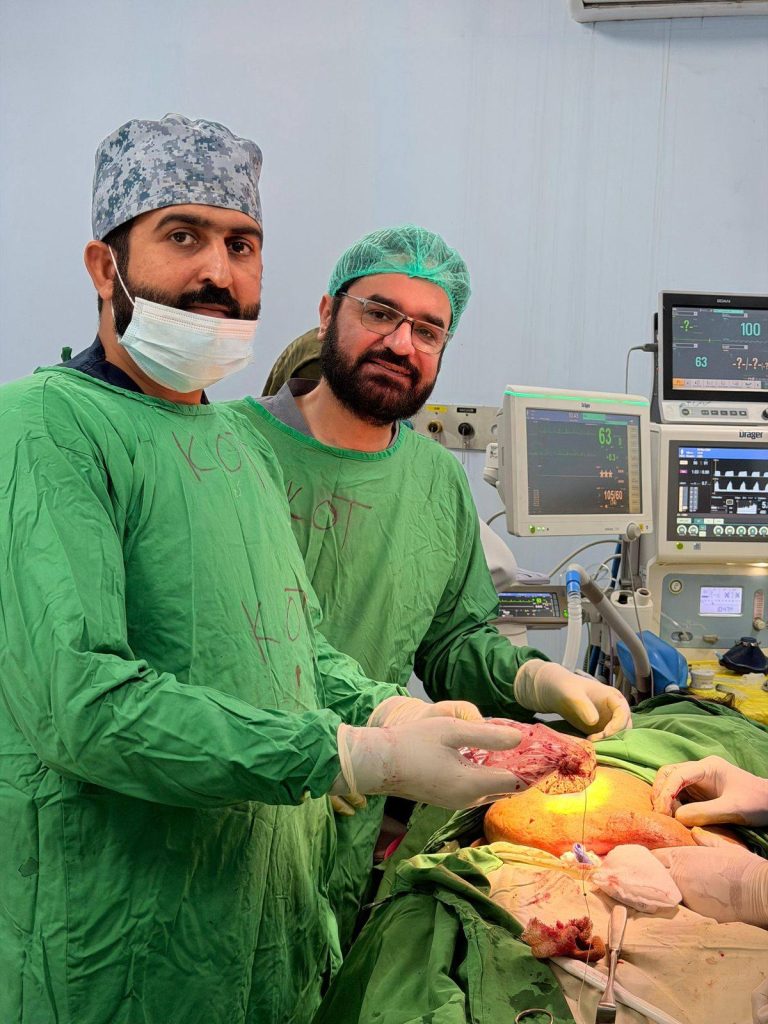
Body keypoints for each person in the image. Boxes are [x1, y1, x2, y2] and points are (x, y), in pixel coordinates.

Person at [0, 116, 540, 1024]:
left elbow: (290, 647)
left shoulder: (229, 444)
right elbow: (82, 706)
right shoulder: (45, 427)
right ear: (104, 266)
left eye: (241, 245)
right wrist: (349, 754)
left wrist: (389, 711)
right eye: (183, 236)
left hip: (261, 926)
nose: (219, 271)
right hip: (118, 945)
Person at [234, 223, 633, 946]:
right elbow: (217, 643)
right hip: (233, 800)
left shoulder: (435, 480)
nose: (401, 343)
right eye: (380, 313)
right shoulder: (227, 448)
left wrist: (535, 679)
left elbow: (453, 641)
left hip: (352, 826)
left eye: (427, 330)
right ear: (327, 312)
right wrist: (346, 737)